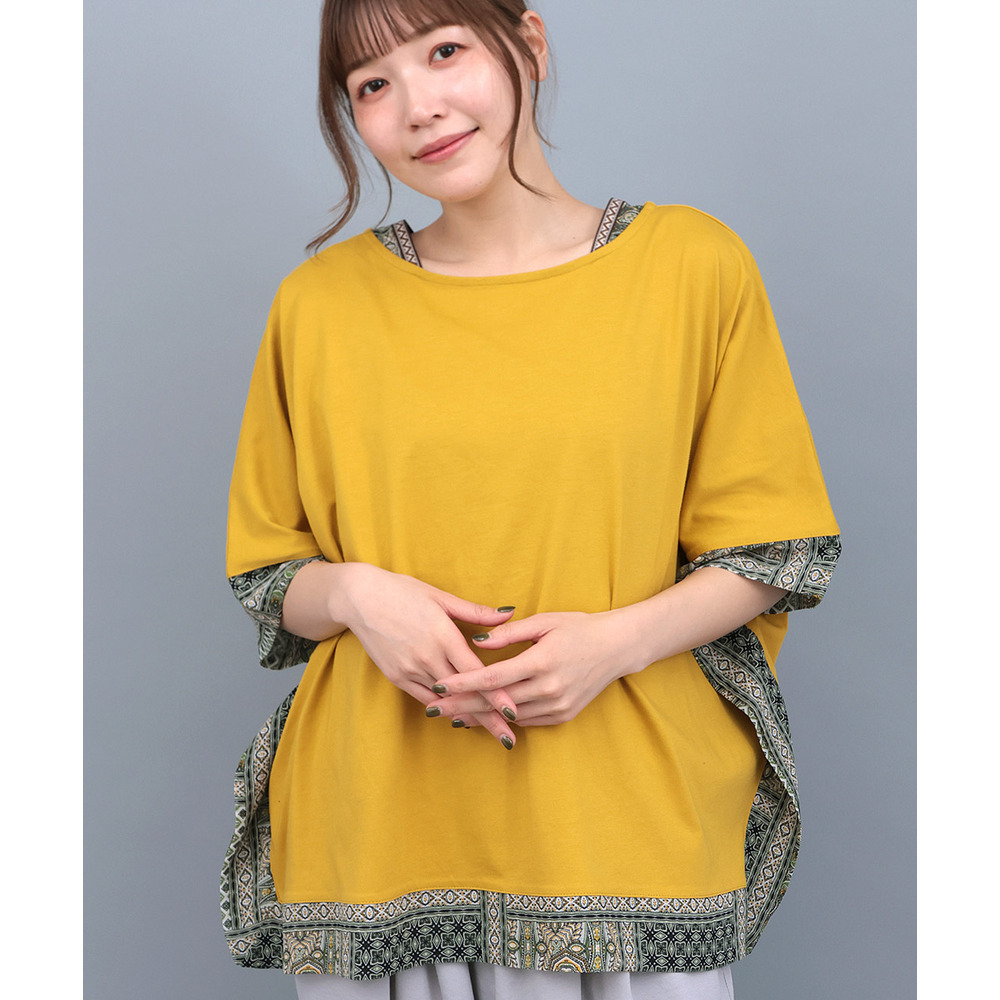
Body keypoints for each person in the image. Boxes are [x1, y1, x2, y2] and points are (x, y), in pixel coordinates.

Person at [219, 2, 841, 998]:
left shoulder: (691, 266)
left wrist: (612, 645)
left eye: (445, 51)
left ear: (530, 44)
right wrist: (358, 596)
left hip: (618, 822)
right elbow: (268, 572)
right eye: (373, 84)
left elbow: (772, 551)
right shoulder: (320, 303)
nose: (418, 105)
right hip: (380, 828)